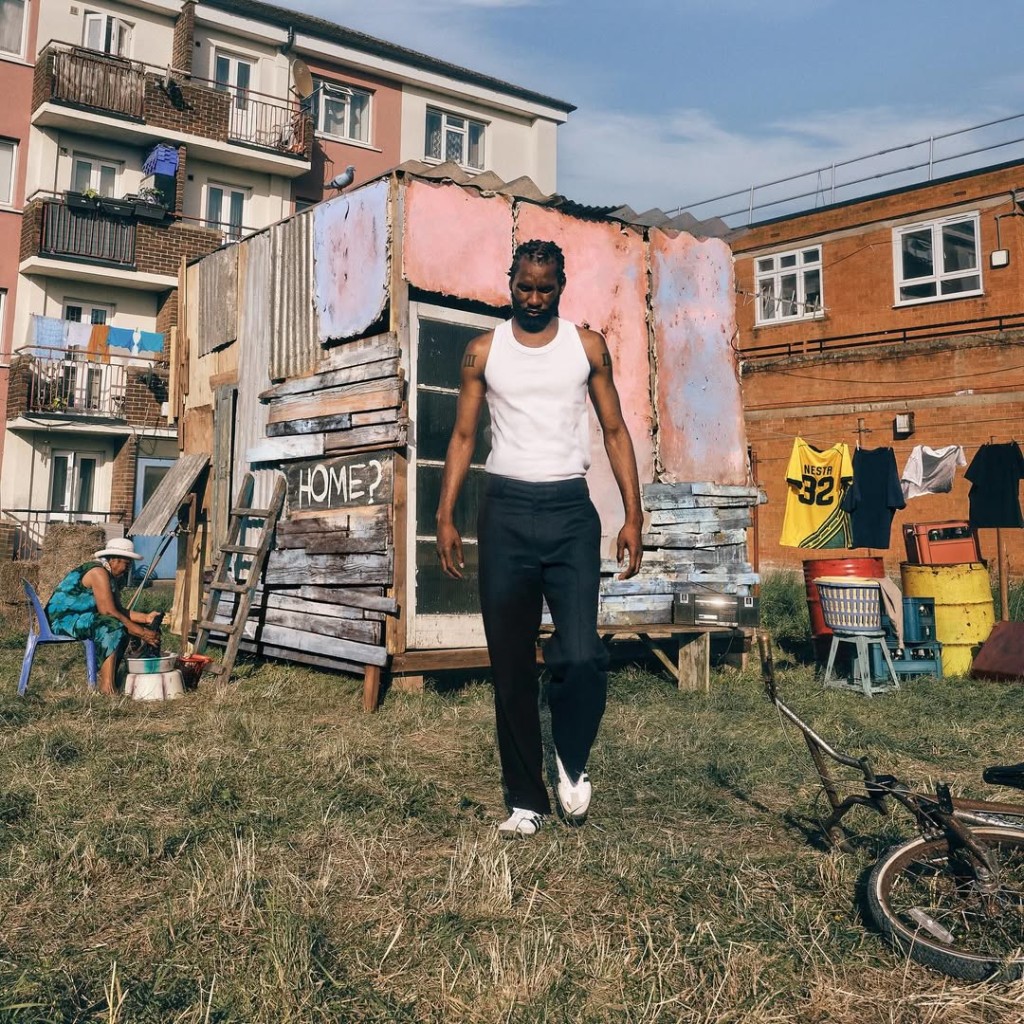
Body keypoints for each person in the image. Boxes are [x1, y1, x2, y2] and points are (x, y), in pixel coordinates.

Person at [436, 239, 643, 838]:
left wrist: (633, 514)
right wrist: (446, 516)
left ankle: (572, 758)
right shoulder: (482, 352)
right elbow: (463, 437)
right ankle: (526, 800)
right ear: (510, 283)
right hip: (503, 512)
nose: (533, 298)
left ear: (561, 287)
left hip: (569, 512)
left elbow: (615, 429)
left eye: (544, 289)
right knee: (510, 665)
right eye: (524, 287)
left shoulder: (586, 347)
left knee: (581, 654)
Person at [45, 537, 161, 695]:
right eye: (127, 564)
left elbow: (117, 609)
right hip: (62, 620)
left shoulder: (109, 575)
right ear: (114, 560)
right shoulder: (98, 572)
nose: (127, 569)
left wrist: (146, 618)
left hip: (82, 617)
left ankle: (114, 678)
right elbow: (108, 612)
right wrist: (141, 632)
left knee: (121, 624)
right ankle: (107, 687)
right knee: (111, 626)